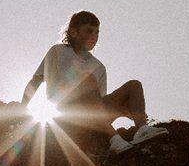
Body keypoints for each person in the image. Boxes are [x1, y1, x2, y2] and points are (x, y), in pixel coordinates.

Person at [21, 11, 168, 155]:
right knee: (87, 79)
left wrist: (123, 108)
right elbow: (36, 80)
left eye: (97, 32)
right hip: (66, 115)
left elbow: (98, 102)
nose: (94, 36)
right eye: (89, 31)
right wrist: (21, 108)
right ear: (73, 32)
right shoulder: (58, 51)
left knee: (134, 85)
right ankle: (114, 139)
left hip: (92, 118)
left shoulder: (99, 67)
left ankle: (142, 129)